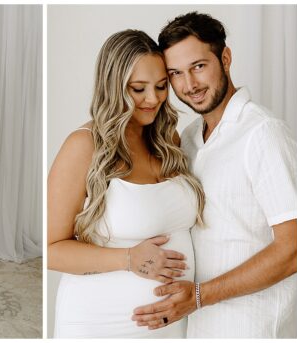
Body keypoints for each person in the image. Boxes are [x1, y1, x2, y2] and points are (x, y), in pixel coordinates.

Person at [129, 12, 297, 338]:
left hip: (253, 326)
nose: (189, 85)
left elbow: (291, 251)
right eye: (176, 73)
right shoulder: (189, 137)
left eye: (198, 67)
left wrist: (199, 295)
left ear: (225, 57)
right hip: (199, 325)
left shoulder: (263, 133)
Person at [47, 29, 205, 338]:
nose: (153, 99)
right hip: (101, 320)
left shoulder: (168, 141)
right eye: (138, 88)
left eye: (161, 86)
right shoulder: (84, 146)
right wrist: (128, 259)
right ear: (113, 86)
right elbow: (52, 250)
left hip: (170, 321)